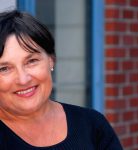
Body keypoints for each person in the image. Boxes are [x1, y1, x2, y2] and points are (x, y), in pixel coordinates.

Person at [0, 10, 123, 150]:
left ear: (51, 60)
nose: (23, 79)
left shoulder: (92, 125)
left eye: (31, 61)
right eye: (4, 68)